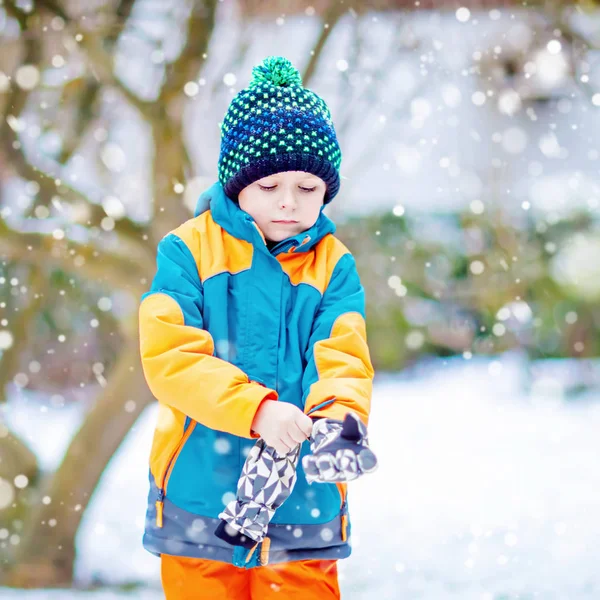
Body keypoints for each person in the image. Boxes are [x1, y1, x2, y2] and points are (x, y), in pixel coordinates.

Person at [138, 55, 376, 600]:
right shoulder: (187, 253)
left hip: (303, 498)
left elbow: (343, 353)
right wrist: (256, 410)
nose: (289, 202)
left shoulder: (332, 266)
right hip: (199, 490)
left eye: (308, 187)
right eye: (269, 186)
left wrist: (339, 418)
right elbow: (173, 359)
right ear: (237, 183)